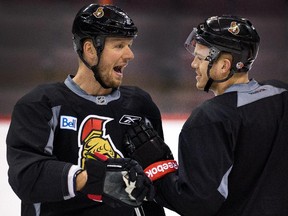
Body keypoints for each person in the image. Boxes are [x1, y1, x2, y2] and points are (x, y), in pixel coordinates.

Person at [6, 4, 166, 216]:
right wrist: (93, 179)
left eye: (129, 45)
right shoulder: (42, 104)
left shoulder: (140, 105)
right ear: (90, 50)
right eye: (119, 46)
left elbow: (151, 190)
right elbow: (26, 176)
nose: (130, 55)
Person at [124, 15, 288, 216]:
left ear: (224, 65)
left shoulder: (211, 118)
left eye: (200, 58)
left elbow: (197, 204)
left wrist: (156, 167)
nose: (193, 64)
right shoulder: (281, 94)